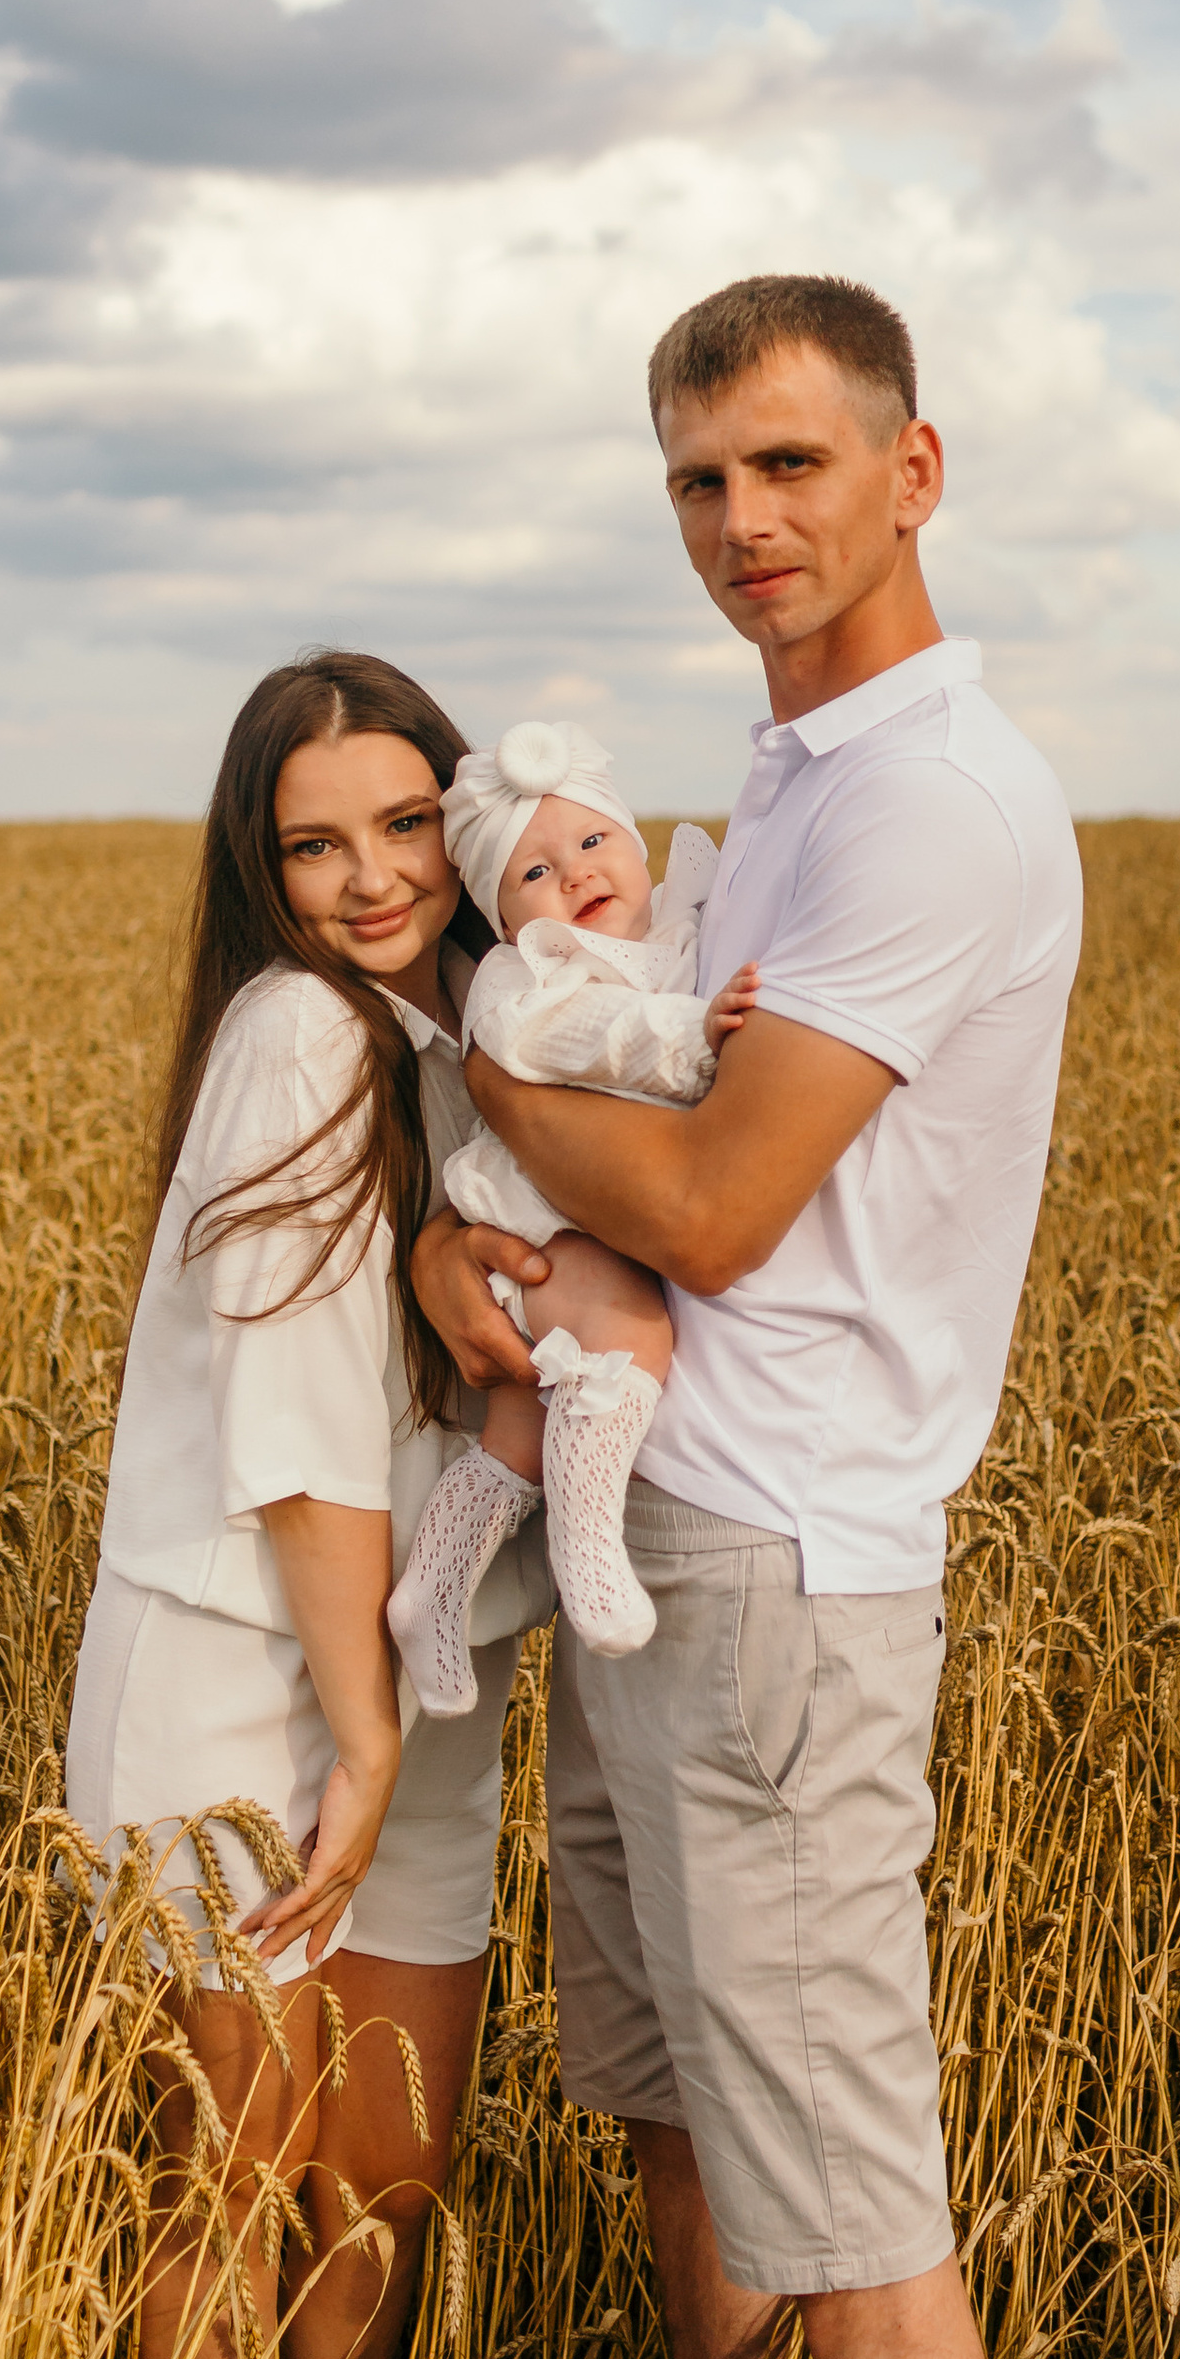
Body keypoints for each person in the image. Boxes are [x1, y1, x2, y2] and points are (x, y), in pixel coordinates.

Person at [413, 275, 1083, 2359]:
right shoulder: (782, 777)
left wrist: (478, 1061)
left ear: (913, 472)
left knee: (857, 2206)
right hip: (658, 1523)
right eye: (698, 478)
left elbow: (701, 1197)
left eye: (790, 465)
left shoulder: (929, 802)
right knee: (681, 2114)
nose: (741, 521)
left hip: (786, 1568)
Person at [62, 649, 549, 2359]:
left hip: (414, 1684)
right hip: (242, 1681)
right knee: (233, 2169)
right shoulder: (292, 1033)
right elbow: (293, 1432)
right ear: (258, 876)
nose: (374, 878)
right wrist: (358, 1740)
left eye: (407, 823)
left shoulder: (464, 1042)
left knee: (387, 2166)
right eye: (315, 846)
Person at [386, 717, 756, 1713]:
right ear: (503, 916)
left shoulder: (680, 927)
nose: (576, 875)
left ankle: (430, 1593)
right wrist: (694, 1031)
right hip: (546, 1219)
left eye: (593, 841)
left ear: (633, 841)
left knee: (516, 1428)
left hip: (591, 1208)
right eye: (536, 873)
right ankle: (588, 1551)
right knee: (630, 1331)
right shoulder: (526, 981)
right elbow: (588, 1035)